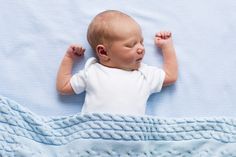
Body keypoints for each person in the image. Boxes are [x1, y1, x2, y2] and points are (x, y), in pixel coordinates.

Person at [56, 10, 178, 115]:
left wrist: (166, 47)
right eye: (131, 45)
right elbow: (63, 87)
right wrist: (69, 59)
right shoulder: (93, 72)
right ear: (103, 52)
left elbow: (170, 76)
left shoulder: (144, 74)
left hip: (131, 138)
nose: (141, 48)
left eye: (141, 42)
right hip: (94, 135)